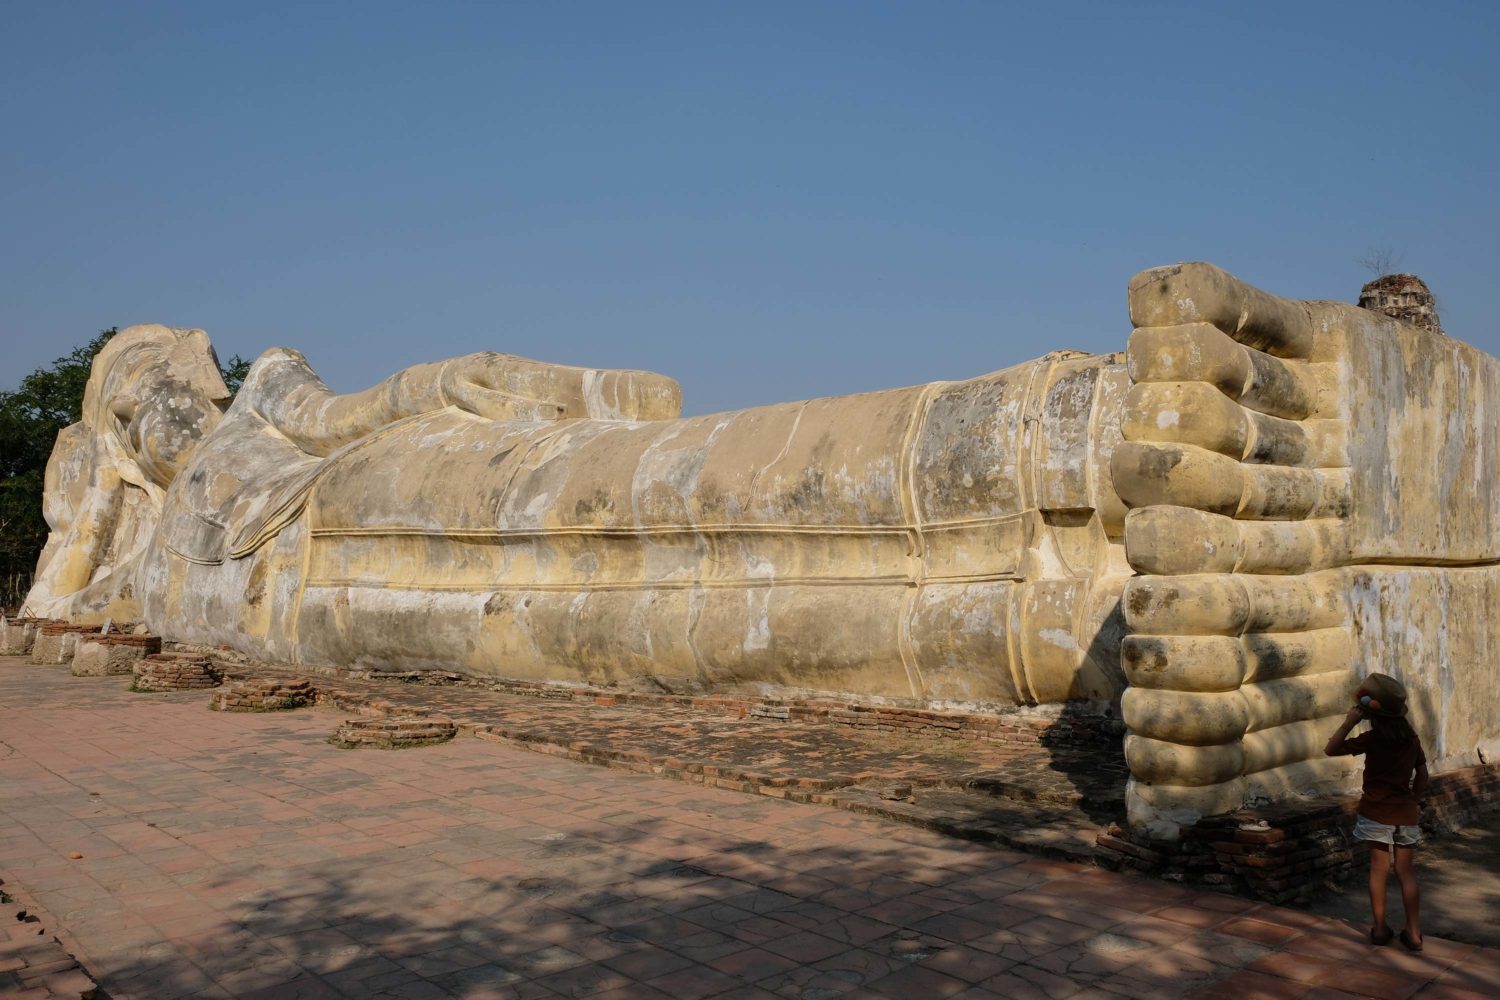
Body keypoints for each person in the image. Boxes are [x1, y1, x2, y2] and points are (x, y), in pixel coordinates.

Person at [1325, 672, 1429, 950]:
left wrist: (1349, 722)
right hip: (1405, 813)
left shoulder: (1372, 739)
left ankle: (1381, 929)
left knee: (1378, 870)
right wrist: (1415, 797)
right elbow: (1422, 772)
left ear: (1371, 712)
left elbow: (1330, 749)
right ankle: (1415, 933)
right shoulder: (1411, 740)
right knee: (1406, 872)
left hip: (1375, 812)